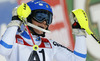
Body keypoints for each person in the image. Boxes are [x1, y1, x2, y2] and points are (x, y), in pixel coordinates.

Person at [0, 0, 87, 61]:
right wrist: (16, 20)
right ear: (28, 18)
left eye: (48, 18)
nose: (44, 22)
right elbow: (3, 50)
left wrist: (79, 32)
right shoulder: (13, 40)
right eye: (40, 17)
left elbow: (78, 59)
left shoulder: (50, 44)